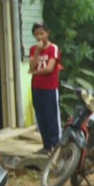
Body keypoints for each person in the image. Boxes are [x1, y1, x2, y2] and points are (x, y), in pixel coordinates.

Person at [28, 22, 62, 153]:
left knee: (51, 116)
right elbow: (31, 66)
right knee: (40, 116)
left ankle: (56, 146)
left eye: (41, 33)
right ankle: (46, 146)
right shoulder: (33, 49)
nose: (39, 37)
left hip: (50, 88)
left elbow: (49, 68)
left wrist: (35, 72)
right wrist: (37, 51)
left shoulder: (53, 48)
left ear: (47, 33)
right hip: (36, 87)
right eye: (36, 34)